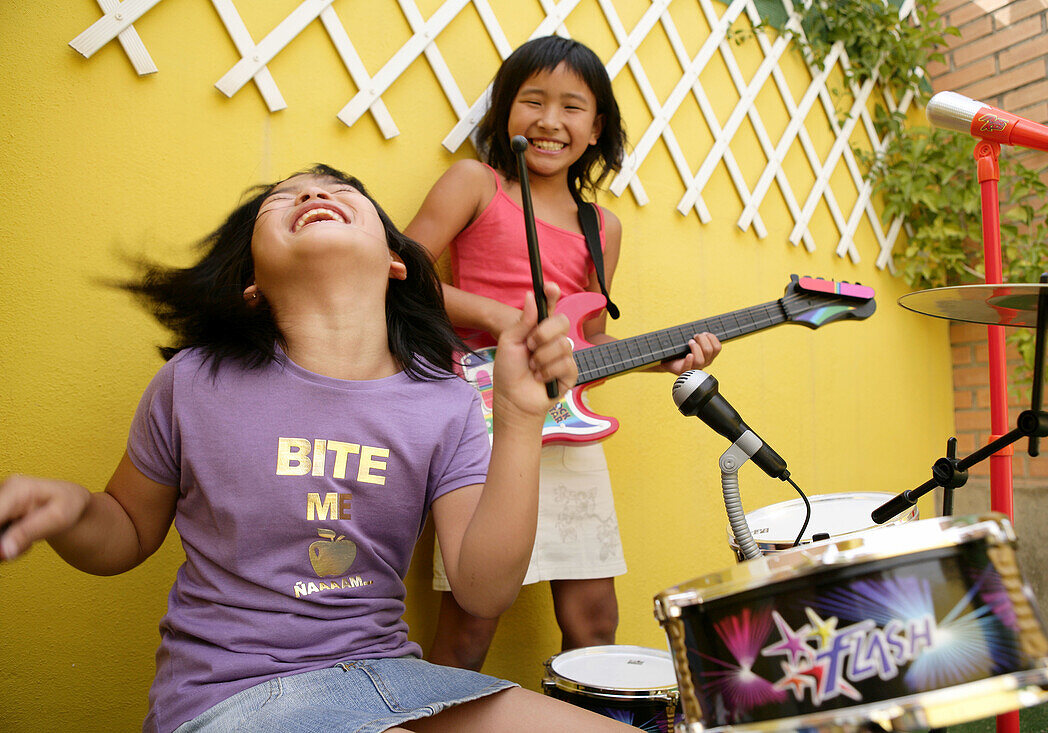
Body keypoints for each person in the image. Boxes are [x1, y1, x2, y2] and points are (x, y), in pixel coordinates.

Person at [0, 164, 637, 733]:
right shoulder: (192, 382)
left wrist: (522, 419)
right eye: (281, 200)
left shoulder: (445, 401)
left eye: (341, 192)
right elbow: (124, 532)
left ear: (395, 261)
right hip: (233, 696)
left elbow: (481, 591)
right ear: (250, 280)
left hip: (397, 683)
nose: (311, 192)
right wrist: (74, 509)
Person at [405, 36, 721, 671]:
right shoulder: (475, 182)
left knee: (595, 620)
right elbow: (398, 275)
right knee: (470, 627)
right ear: (505, 112)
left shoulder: (602, 228)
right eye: (533, 101)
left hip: (566, 428)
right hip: (482, 423)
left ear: (597, 125)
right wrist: (500, 317)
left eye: (573, 107)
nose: (551, 121)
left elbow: (587, 341)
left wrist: (658, 356)